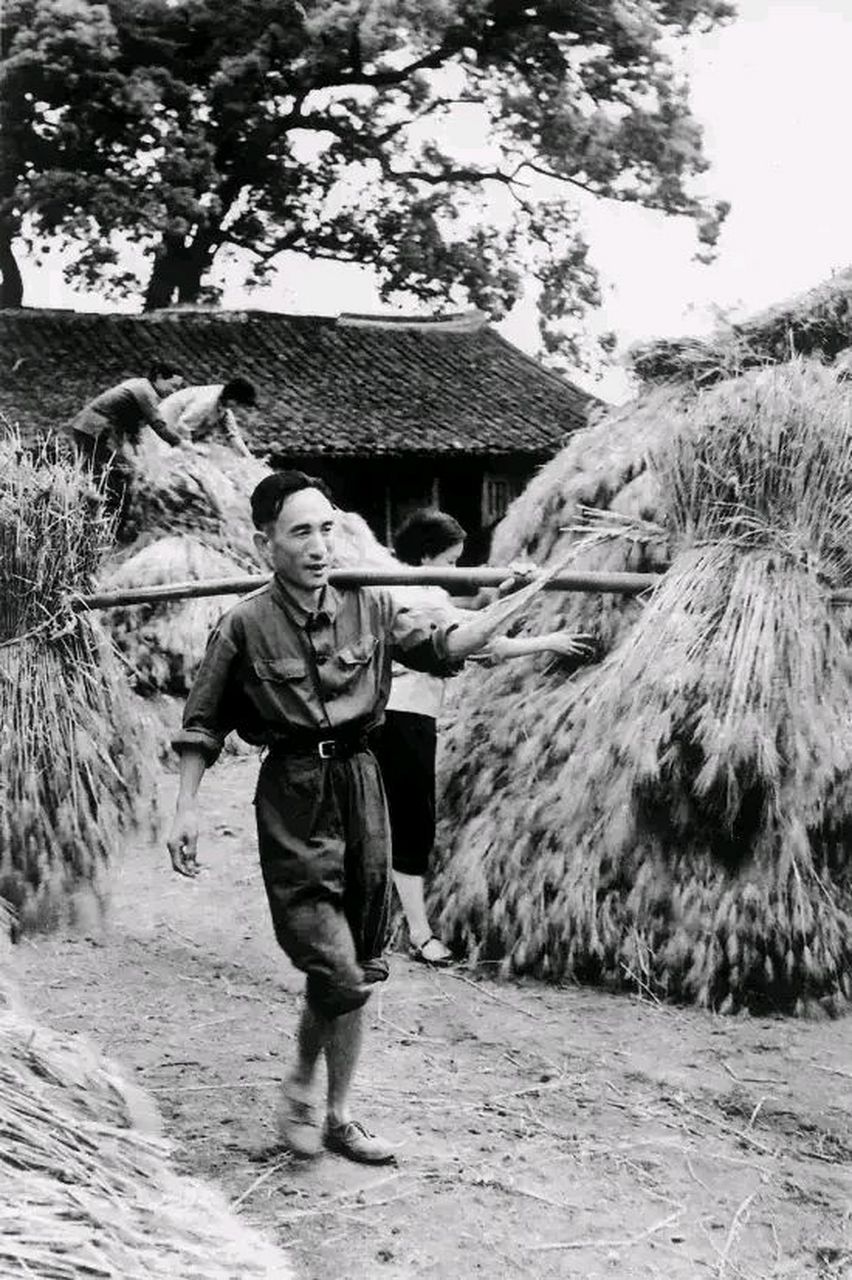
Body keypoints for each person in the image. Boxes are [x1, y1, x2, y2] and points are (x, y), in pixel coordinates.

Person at [166, 471, 548, 1166]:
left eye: (326, 530)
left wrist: (521, 597)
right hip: (295, 793)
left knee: (361, 964)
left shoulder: (371, 604)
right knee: (332, 963)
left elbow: (448, 646)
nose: (318, 547)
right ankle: (302, 1086)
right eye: (300, 533)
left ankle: (338, 1114)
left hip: (362, 783)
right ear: (266, 544)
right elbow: (201, 727)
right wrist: (186, 810)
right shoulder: (244, 625)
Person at [373, 508, 593, 966]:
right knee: (412, 824)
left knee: (396, 821)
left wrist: (509, 593)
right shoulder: (413, 593)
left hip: (403, 717)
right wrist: (543, 634)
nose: (454, 571)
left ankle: (391, 924)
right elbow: (479, 641)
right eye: (451, 561)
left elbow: (472, 626)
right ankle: (418, 933)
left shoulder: (410, 591)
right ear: (428, 555)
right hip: (402, 719)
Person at [65, 361, 186, 531]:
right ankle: (108, 525)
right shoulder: (144, 391)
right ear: (159, 377)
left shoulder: (141, 387)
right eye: (172, 386)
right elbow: (158, 425)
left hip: (98, 432)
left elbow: (134, 429)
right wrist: (182, 445)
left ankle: (113, 521)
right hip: (92, 431)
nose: (173, 392)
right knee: (118, 476)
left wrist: (141, 457)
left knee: (124, 473)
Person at [158, 377, 257, 457]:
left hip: (176, 431)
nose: (238, 408)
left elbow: (233, 435)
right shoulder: (207, 402)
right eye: (239, 404)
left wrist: (249, 458)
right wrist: (193, 450)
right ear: (232, 397)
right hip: (162, 430)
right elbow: (183, 426)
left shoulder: (223, 402)